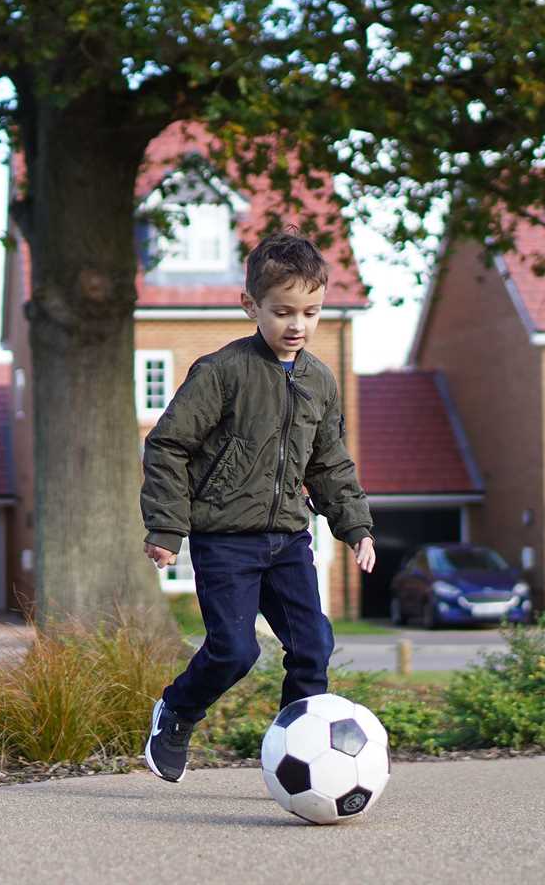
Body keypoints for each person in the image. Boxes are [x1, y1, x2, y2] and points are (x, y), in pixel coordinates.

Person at [139, 228, 376, 783]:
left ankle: (300, 748)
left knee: (314, 645)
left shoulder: (319, 379)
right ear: (251, 306)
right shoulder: (222, 371)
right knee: (234, 650)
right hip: (226, 541)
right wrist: (167, 528)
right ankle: (176, 712)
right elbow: (169, 444)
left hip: (290, 538)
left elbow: (329, 462)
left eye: (311, 312)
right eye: (283, 311)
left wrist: (356, 526)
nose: (297, 325)